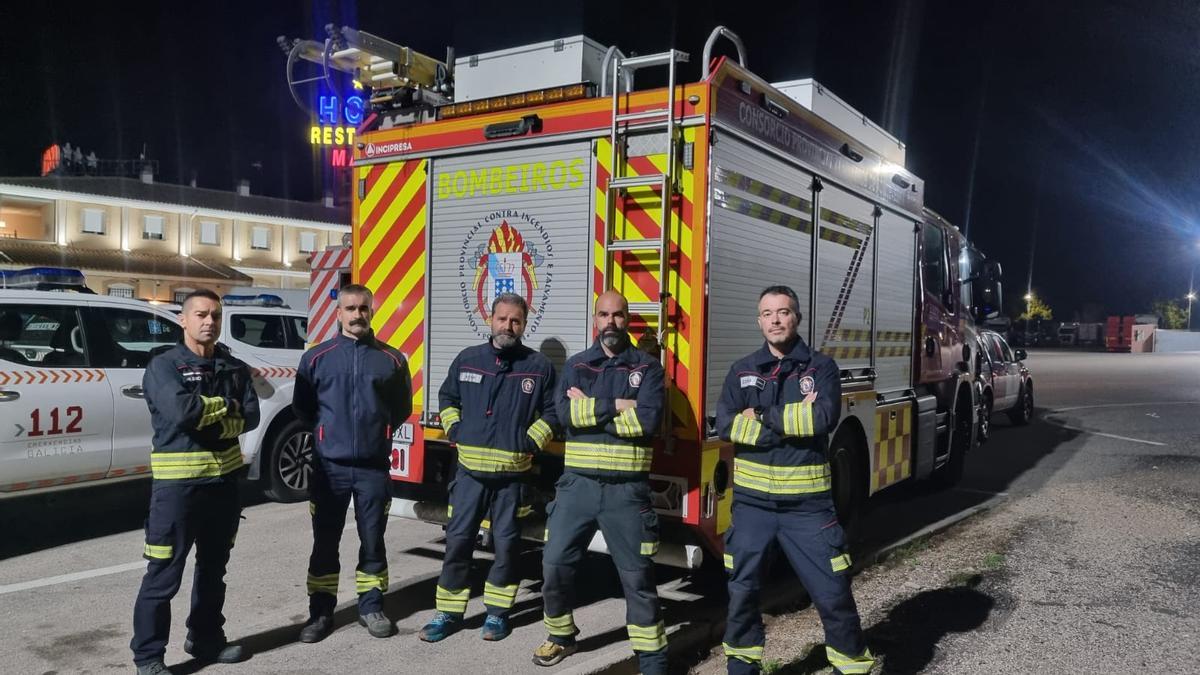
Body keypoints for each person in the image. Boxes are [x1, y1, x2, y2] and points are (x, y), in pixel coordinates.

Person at [716, 286, 874, 675]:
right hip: (753, 509)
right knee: (742, 596)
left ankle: (851, 668)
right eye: (767, 313)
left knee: (833, 594)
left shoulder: (821, 368)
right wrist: (788, 421)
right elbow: (725, 426)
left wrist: (761, 416)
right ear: (759, 321)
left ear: (797, 318)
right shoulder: (742, 370)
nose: (775, 320)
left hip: (808, 510)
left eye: (783, 312)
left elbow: (822, 419)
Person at [533, 290, 668, 673]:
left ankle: (653, 658)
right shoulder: (577, 366)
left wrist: (590, 408)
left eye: (619, 315)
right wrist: (619, 406)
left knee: (637, 577)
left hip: (627, 492)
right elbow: (565, 415)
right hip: (576, 487)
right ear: (595, 320)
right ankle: (561, 637)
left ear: (629, 319)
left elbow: (646, 422)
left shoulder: (648, 368)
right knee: (554, 564)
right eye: (604, 315)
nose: (611, 322)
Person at [131, 289, 260, 675]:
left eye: (216, 315)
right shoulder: (164, 366)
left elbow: (251, 417)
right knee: (163, 575)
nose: (209, 322)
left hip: (223, 487)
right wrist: (227, 407)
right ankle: (149, 657)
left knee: (213, 569)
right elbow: (182, 413)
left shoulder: (233, 367)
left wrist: (214, 412)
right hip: (178, 491)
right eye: (201, 314)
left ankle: (205, 639)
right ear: (183, 320)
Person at [418, 293, 559, 643]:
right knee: (458, 542)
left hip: (512, 478)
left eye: (515, 321)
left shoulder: (539, 366)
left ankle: (497, 615)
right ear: (490, 319)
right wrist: (455, 429)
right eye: (502, 319)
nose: (507, 326)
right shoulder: (468, 360)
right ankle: (448, 614)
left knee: (507, 547)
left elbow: (555, 412)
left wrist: (530, 442)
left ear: (525, 325)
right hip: (469, 475)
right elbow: (447, 398)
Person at [292, 284, 412, 643]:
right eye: (350, 308)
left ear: (371, 311)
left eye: (363, 308)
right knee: (324, 541)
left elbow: (401, 408)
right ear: (338, 313)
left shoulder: (391, 360)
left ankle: (371, 606)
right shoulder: (316, 358)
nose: (357, 314)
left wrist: (378, 432)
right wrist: (328, 434)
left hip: (373, 468)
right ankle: (320, 612)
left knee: (373, 540)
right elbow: (304, 408)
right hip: (330, 469)